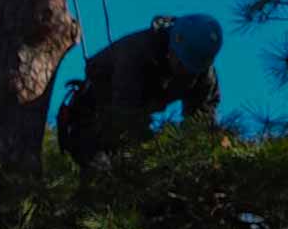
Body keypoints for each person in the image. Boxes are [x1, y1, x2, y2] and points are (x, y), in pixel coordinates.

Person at [56, 14, 222, 168]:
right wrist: (157, 154)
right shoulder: (137, 55)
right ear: (173, 44)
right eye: (180, 64)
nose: (183, 71)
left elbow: (203, 116)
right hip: (93, 118)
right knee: (105, 174)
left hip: (131, 116)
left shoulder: (201, 70)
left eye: (189, 69)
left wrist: (200, 152)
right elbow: (127, 114)